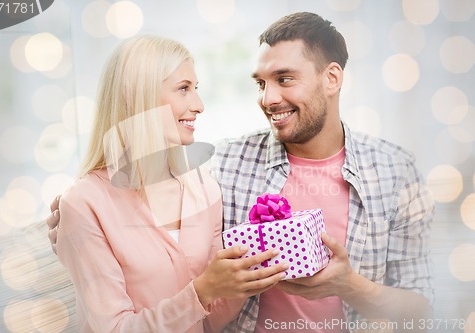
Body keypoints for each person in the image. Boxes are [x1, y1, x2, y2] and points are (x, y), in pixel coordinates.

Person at [48, 12, 435, 333]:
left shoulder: (395, 171)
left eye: (284, 79)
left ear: (332, 78)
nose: (268, 99)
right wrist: (74, 223)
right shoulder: (224, 166)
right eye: (261, 83)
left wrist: (351, 286)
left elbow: (422, 311)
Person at [53, 35, 288, 333]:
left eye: (196, 89)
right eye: (183, 89)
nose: (199, 105)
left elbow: (210, 323)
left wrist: (245, 278)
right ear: (138, 97)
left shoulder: (203, 187)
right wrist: (201, 292)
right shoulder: (84, 203)